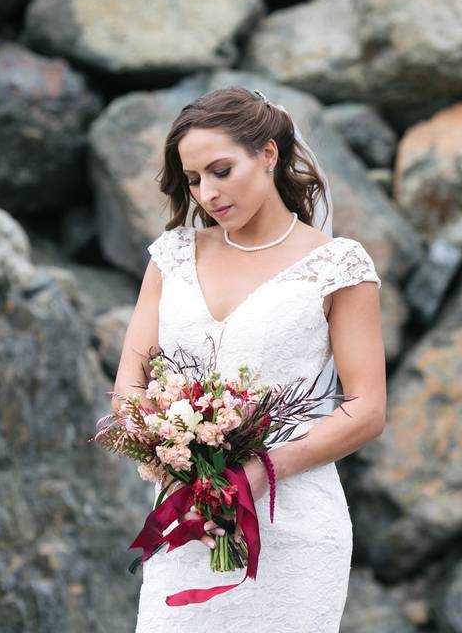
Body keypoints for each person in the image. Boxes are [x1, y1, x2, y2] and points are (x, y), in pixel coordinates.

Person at [110, 85, 386, 631]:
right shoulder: (172, 256)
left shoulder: (337, 266)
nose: (207, 193)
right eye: (193, 180)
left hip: (295, 522)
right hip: (190, 520)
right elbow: (129, 386)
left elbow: (367, 408)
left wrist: (256, 473)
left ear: (268, 154)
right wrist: (179, 463)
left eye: (220, 170)